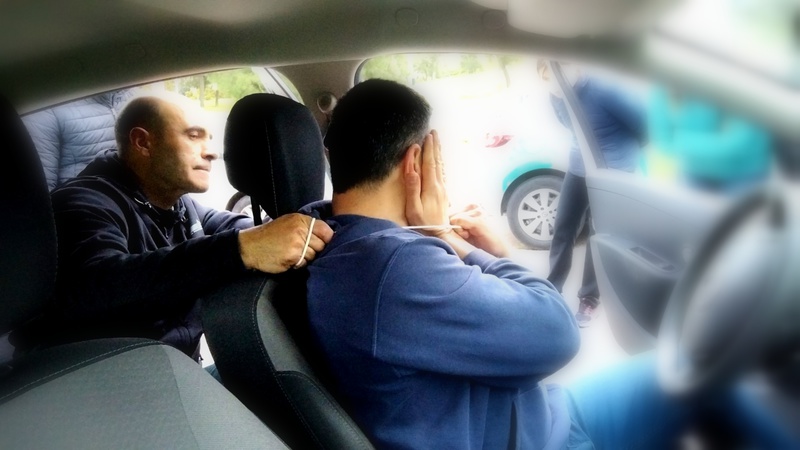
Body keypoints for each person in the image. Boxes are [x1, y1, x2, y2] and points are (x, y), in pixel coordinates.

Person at [303, 79, 797, 449]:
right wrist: (460, 242)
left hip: (539, 413)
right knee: (718, 377)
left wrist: (441, 239)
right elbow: (559, 332)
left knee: (702, 365)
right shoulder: (395, 268)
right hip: (546, 438)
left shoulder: (324, 236)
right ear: (416, 163)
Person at [48, 94, 334, 362]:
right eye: (194, 136)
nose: (211, 153)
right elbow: (99, 285)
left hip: (177, 371)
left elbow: (233, 228)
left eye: (209, 139)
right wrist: (241, 249)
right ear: (143, 142)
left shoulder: (177, 203)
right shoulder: (80, 202)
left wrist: (309, 230)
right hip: (113, 377)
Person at [538, 61, 646, 327]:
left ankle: (589, 298)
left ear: (573, 66)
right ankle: (551, 289)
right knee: (563, 228)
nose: (555, 84)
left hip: (613, 172)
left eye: (557, 75)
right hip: (579, 166)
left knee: (598, 234)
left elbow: (643, 124)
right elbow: (570, 127)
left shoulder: (604, 87)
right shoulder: (556, 95)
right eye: (547, 78)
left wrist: (621, 155)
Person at [647, 85, 772, 193]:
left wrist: (681, 146)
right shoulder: (664, 90)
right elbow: (664, 141)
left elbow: (742, 146)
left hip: (743, 173)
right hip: (693, 169)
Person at [23, 89, 134, 191]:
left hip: (134, 200)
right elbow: (41, 190)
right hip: (86, 201)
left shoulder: (132, 92)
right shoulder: (45, 108)